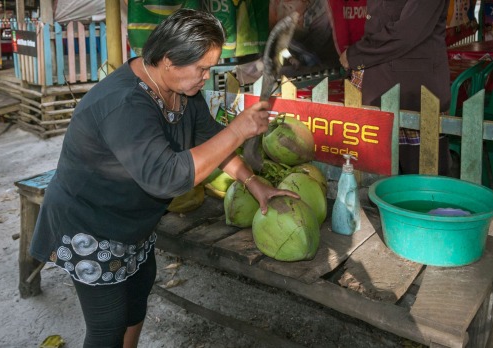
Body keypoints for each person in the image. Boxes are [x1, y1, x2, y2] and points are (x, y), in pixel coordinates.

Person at [29, 9, 297, 348]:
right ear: (169, 60)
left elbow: (209, 139)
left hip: (133, 224)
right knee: (106, 327)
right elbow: (166, 177)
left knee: (137, 302)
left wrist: (253, 182)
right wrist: (239, 129)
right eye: (202, 68)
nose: (206, 76)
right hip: (89, 225)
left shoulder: (182, 92)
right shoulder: (124, 102)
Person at [339, 0, 452, 175]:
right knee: (373, 178)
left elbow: (407, 32)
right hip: (378, 90)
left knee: (421, 183)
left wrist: (356, 55)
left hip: (413, 91)